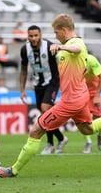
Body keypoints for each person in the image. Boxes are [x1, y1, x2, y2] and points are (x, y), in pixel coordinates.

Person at [0, 13, 101, 177]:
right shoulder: (67, 46)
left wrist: (61, 47)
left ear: (63, 30)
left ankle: (13, 170)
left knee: (35, 131)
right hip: (79, 96)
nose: (55, 36)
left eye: (56, 33)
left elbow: (77, 49)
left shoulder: (76, 42)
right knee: (88, 128)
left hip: (70, 101)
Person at [20, 25, 68, 155]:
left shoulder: (49, 47)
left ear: (40, 35)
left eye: (36, 35)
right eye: (31, 36)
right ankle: (61, 138)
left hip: (52, 82)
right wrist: (22, 90)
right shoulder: (25, 49)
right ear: (28, 36)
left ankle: (50, 144)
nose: (34, 38)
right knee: (44, 114)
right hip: (38, 84)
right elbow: (23, 70)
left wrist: (64, 85)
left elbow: (62, 64)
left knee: (45, 109)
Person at [83, 53, 101, 154]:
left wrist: (97, 95)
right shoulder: (71, 61)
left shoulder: (91, 59)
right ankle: (88, 142)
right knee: (83, 118)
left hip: (94, 92)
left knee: (97, 117)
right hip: (82, 93)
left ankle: (100, 134)